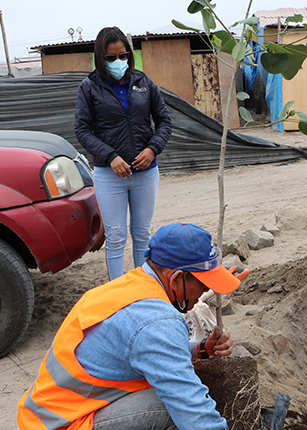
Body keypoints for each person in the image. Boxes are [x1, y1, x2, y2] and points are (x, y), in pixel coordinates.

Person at [17, 223, 241, 430]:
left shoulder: (132, 285)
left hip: (46, 415)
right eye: (203, 283)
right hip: (66, 424)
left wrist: (200, 349)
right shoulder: (157, 322)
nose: (205, 291)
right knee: (172, 405)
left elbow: (134, 350)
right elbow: (193, 410)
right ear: (175, 279)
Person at [75, 26, 172, 281]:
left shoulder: (143, 82)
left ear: (129, 54)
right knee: (116, 237)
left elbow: (164, 121)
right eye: (110, 57)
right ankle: (118, 293)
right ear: (100, 57)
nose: (118, 62)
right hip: (110, 176)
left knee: (142, 234)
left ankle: (143, 291)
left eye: (123, 55)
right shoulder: (89, 88)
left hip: (145, 173)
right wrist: (110, 157)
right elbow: (82, 130)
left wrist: (152, 149)